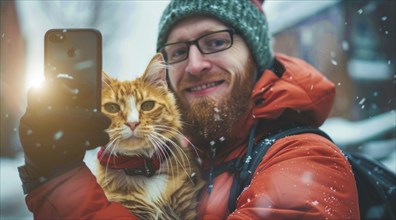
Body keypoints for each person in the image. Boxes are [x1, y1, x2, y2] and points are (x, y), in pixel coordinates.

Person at [18, 0, 360, 219]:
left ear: (255, 55)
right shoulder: (186, 153)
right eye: (178, 51)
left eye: (215, 42)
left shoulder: (306, 159)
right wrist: (52, 170)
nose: (195, 64)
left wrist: (63, 183)